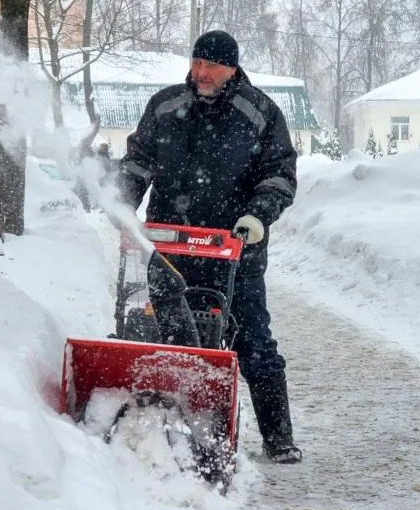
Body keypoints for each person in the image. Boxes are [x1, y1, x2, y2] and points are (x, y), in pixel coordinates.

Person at [118, 30, 302, 464]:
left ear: (232, 68)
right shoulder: (165, 106)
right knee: (160, 335)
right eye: (196, 62)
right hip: (167, 248)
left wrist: (256, 216)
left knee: (253, 340)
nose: (200, 73)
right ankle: (165, 425)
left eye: (211, 66)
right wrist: (124, 201)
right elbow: (138, 161)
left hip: (235, 253)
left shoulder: (260, 113)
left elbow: (280, 174)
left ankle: (278, 438)